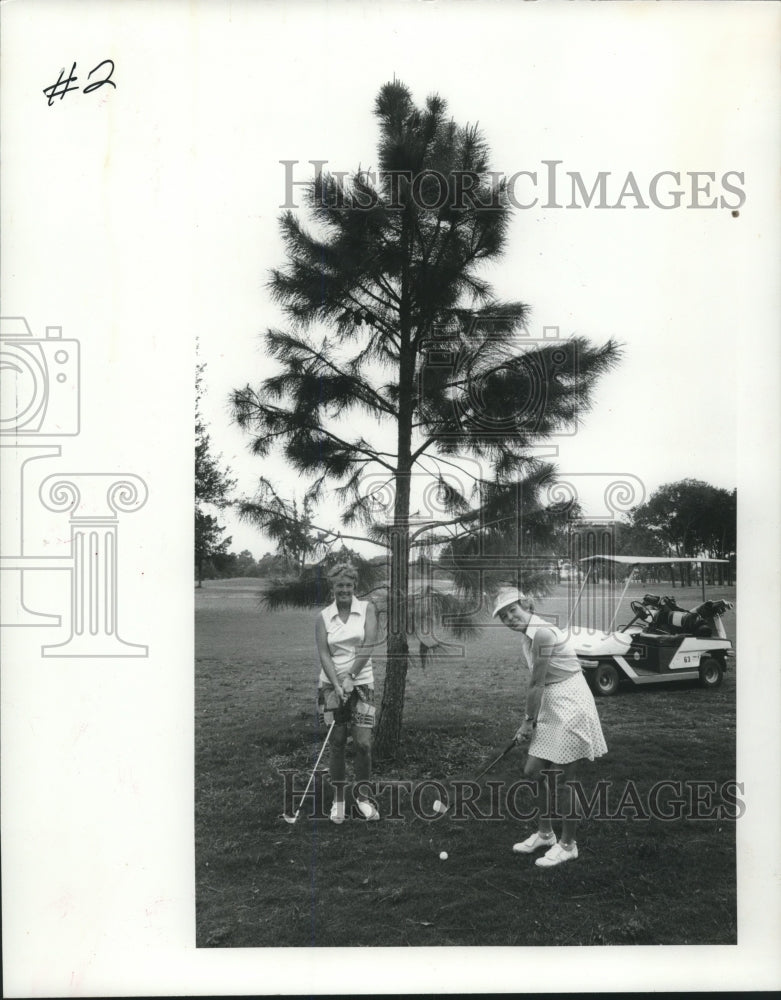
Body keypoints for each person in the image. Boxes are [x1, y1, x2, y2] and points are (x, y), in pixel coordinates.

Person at [493, 587, 607, 868]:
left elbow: (537, 683)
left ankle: (568, 845)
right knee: (534, 771)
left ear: (526, 606)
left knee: (565, 780)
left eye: (513, 610)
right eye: (503, 616)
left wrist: (527, 722)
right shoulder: (530, 634)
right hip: (552, 702)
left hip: (571, 703)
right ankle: (545, 834)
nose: (509, 618)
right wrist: (532, 718)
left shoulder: (542, 633)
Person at [316, 562, 380, 823]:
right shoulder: (323, 617)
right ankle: (339, 800)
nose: (344, 589)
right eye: (339, 585)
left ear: (355, 586)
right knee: (338, 742)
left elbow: (369, 644)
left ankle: (363, 799)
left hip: (362, 683)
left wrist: (351, 677)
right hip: (330, 685)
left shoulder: (367, 609)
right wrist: (337, 683)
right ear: (332, 587)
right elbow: (324, 654)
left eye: (348, 585)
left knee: (363, 744)